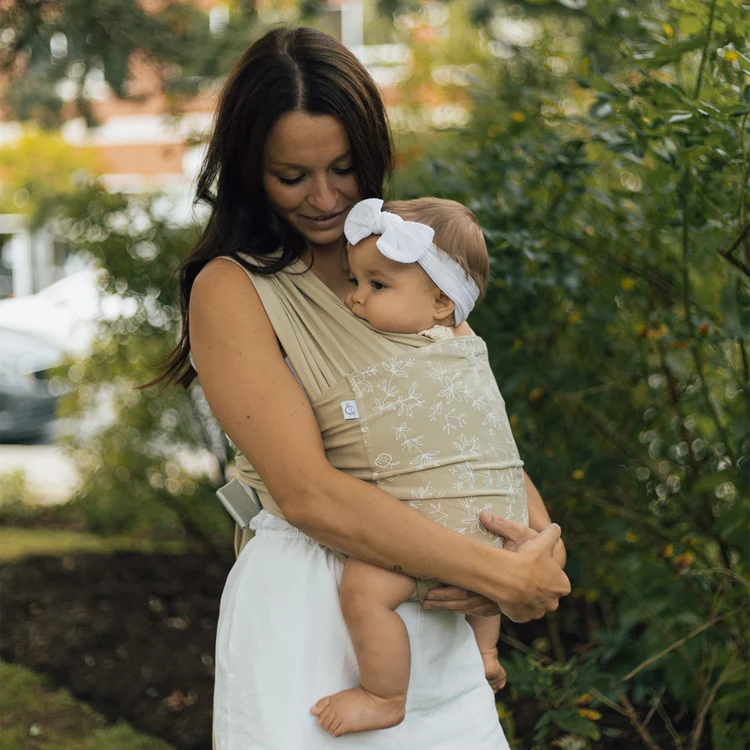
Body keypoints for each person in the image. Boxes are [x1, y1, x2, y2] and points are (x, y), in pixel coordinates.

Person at [158, 25, 570, 750]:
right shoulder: (234, 289)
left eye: (345, 168)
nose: (324, 198)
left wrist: (538, 557)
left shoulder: (409, 265)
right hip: (316, 618)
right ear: (250, 170)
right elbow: (309, 493)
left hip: (438, 621)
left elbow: (472, 435)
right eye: (293, 177)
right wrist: (491, 572)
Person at [310, 196, 556, 737]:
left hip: (427, 522)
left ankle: (383, 694)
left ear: (443, 302)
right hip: (494, 521)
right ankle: (486, 652)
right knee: (487, 543)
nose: (355, 299)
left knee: (363, 592)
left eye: (377, 285)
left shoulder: (384, 350)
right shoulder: (468, 344)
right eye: (356, 281)